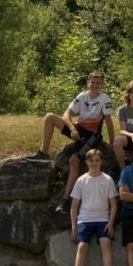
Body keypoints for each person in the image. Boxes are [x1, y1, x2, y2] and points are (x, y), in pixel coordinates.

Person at [36, 71, 115, 213]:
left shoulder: (104, 98)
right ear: (88, 83)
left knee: (74, 160)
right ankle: (43, 153)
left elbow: (108, 121)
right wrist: (72, 128)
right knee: (50, 117)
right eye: (92, 82)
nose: (95, 85)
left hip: (92, 136)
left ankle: (65, 199)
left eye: (98, 83)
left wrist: (112, 143)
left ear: (102, 85)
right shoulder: (82, 96)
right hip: (79, 130)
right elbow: (66, 114)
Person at [69, 148, 118, 266]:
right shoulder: (81, 180)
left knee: (105, 243)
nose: (94, 163)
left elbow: (113, 204)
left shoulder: (107, 180)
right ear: (86, 162)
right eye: (91, 161)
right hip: (84, 219)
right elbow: (74, 207)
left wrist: (111, 222)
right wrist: (73, 228)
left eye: (97, 160)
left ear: (101, 162)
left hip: (102, 219)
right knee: (82, 246)